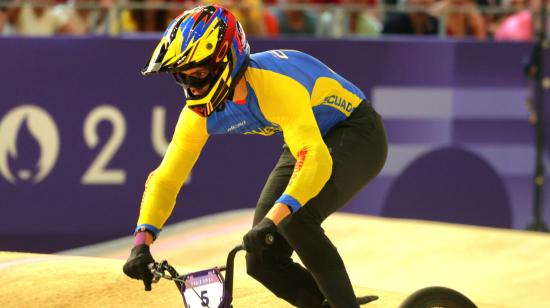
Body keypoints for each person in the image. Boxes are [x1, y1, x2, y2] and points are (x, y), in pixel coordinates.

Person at [122, 4, 387, 308]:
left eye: (198, 75)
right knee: (260, 260)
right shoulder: (198, 114)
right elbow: (167, 179)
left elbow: (315, 157)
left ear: (227, 62)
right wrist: (142, 243)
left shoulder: (275, 86)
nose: (191, 88)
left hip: (355, 131)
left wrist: (274, 219)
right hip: (303, 138)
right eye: (183, 78)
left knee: (294, 220)